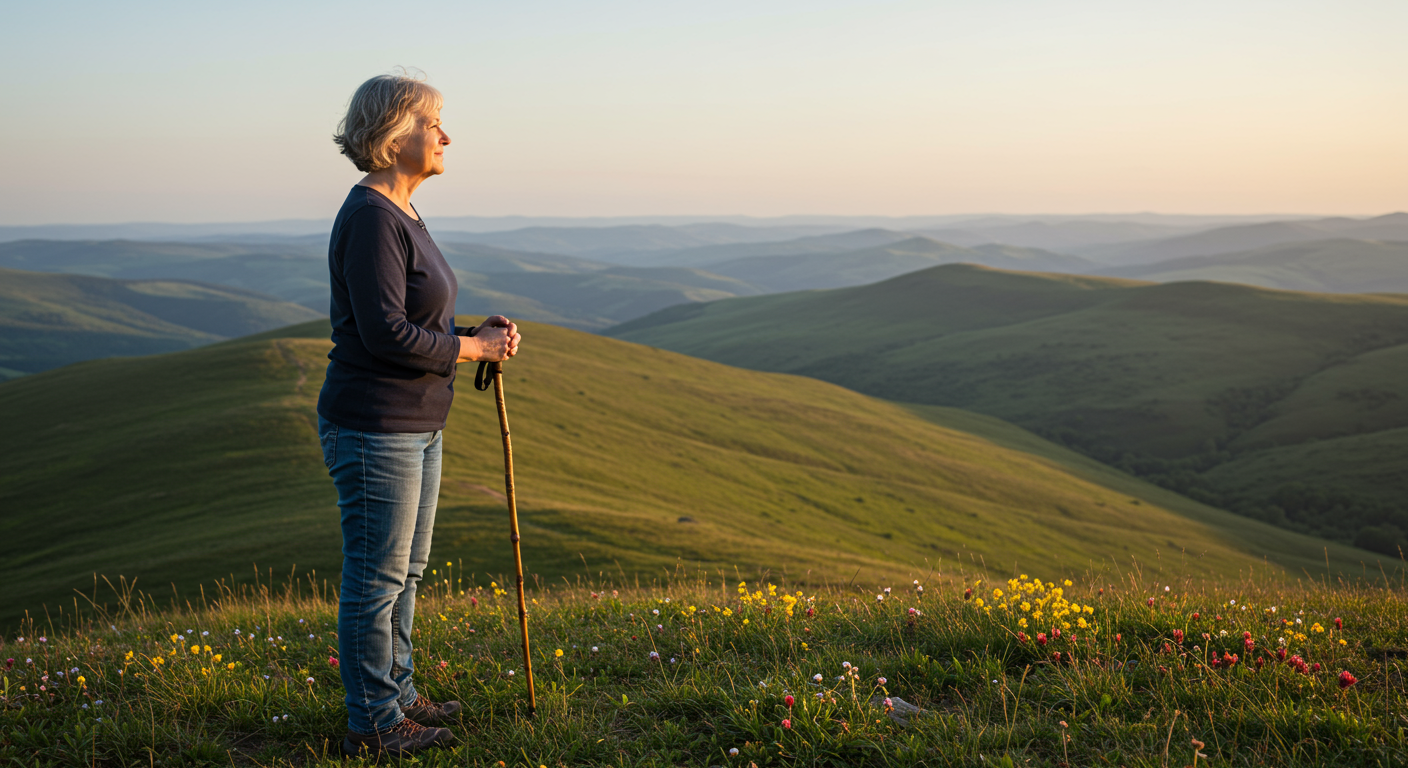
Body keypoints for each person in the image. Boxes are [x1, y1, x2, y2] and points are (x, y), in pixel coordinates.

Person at [316, 72, 521, 757]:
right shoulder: (373, 215)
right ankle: (373, 721)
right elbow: (383, 336)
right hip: (375, 422)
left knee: (405, 571)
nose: (445, 136)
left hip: (414, 419)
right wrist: (472, 346)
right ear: (395, 131)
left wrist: (472, 330)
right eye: (435, 124)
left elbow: (412, 317)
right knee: (376, 576)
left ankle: (396, 692)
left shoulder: (400, 211)